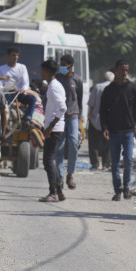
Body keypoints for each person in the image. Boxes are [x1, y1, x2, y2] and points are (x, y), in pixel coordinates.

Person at [100, 59, 136, 201]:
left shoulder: (133, 88)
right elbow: (103, 111)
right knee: (115, 162)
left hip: (129, 131)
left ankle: (126, 187)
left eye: (127, 70)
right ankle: (117, 190)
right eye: (122, 70)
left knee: (129, 160)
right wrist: (104, 127)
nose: (125, 73)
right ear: (116, 70)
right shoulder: (109, 90)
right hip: (113, 131)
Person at [38, 60, 67, 202]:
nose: (41, 73)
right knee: (51, 160)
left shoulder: (54, 86)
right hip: (54, 127)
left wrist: (50, 126)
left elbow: (62, 108)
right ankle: (59, 191)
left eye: (43, 70)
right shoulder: (54, 85)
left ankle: (53, 192)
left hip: (54, 129)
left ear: (48, 72)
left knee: (48, 160)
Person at [55, 54, 83, 190]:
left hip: (73, 115)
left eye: (64, 64)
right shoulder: (57, 78)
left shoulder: (77, 80)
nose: (62, 67)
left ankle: (70, 173)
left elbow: (80, 100)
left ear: (70, 66)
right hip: (59, 116)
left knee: (73, 143)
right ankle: (60, 176)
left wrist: (80, 120)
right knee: (59, 147)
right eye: (60, 64)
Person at [0, 47, 36, 126]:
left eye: (17, 55)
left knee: (32, 99)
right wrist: (7, 90)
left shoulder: (22, 67)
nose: (16, 57)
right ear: (8, 56)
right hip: (7, 93)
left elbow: (26, 83)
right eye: (13, 55)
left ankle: (28, 118)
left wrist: (22, 89)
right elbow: (0, 85)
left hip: (19, 93)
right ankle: (8, 121)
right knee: (6, 102)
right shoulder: (1, 68)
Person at [88, 71, 114, 170]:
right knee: (108, 143)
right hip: (110, 119)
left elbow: (92, 104)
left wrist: (90, 116)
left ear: (103, 78)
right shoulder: (115, 88)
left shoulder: (97, 87)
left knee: (94, 143)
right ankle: (106, 164)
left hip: (96, 118)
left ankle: (95, 163)